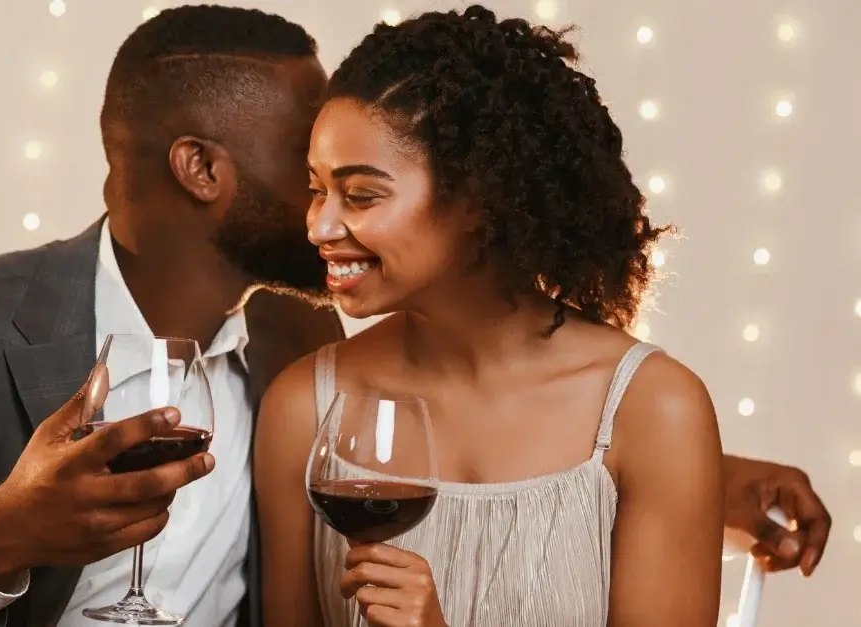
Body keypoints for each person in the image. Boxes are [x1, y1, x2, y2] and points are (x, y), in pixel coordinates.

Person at [0, 5, 829, 627]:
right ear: (200, 170)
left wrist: (700, 484)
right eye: (307, 170)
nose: (323, 215)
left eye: (354, 186)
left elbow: (508, 450)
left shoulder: (291, 347)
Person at [253, 6, 828, 627]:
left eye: (361, 194)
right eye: (317, 188)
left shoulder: (652, 409)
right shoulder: (304, 407)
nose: (320, 225)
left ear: (478, 201)